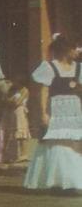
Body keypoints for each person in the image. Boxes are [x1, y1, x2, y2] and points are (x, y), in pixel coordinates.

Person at [24, 34, 82, 192]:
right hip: (56, 109)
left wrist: (77, 87)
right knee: (57, 145)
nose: (77, 51)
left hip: (74, 110)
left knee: (74, 144)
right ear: (65, 50)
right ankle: (59, 182)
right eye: (74, 48)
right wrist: (44, 113)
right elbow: (42, 91)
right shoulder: (50, 67)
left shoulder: (79, 68)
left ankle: (73, 182)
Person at [0, 77, 30, 164]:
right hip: (12, 113)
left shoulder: (25, 90)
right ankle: (12, 154)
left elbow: (17, 102)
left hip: (20, 112)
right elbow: (5, 100)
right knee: (12, 134)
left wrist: (11, 101)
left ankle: (24, 154)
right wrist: (10, 100)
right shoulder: (11, 91)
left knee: (22, 133)